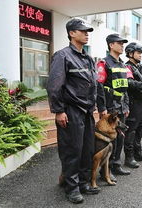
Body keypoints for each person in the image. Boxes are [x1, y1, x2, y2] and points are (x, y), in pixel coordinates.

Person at [47, 18, 104, 204]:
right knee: (72, 150)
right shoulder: (62, 56)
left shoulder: (87, 58)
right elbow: (54, 86)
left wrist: (96, 106)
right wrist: (58, 110)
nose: (86, 33)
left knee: (87, 148)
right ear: (72, 33)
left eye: (88, 31)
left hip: (86, 111)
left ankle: (83, 182)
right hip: (71, 110)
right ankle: (71, 187)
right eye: (82, 30)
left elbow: (94, 84)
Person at [96, 33, 131, 177]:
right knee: (109, 141)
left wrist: (127, 105)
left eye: (123, 43)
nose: (122, 45)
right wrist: (102, 108)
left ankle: (116, 165)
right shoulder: (103, 63)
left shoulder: (123, 65)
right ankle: (106, 170)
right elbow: (99, 86)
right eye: (119, 43)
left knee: (120, 138)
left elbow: (125, 87)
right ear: (111, 45)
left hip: (122, 108)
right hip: (110, 109)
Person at [124, 42, 142, 169]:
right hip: (133, 102)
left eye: (141, 53)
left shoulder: (139, 67)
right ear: (130, 53)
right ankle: (129, 158)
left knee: (140, 129)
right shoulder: (127, 67)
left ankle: (138, 153)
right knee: (131, 130)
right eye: (138, 53)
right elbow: (129, 83)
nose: (141, 55)